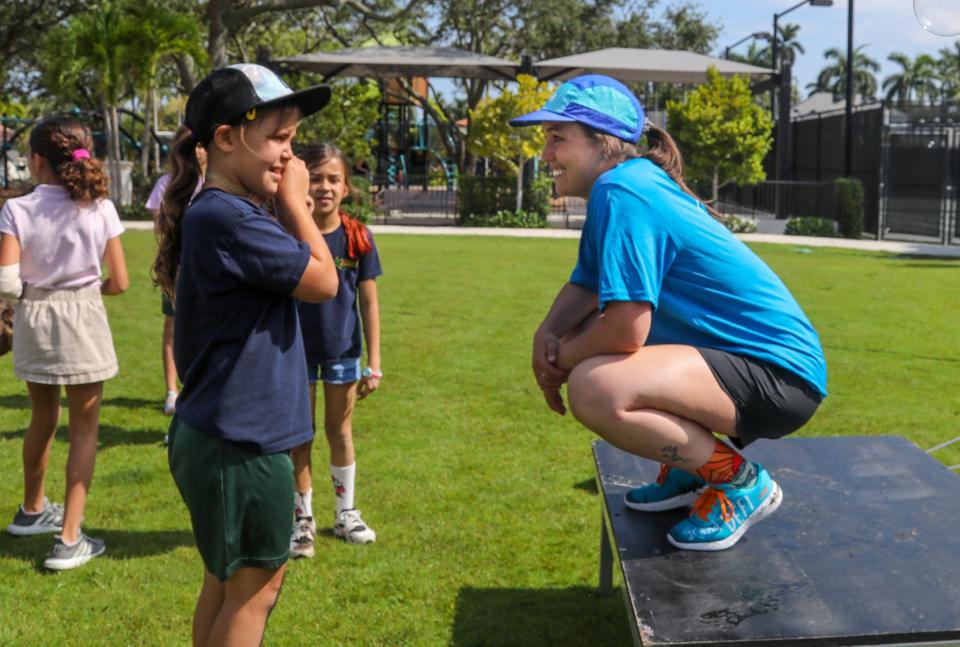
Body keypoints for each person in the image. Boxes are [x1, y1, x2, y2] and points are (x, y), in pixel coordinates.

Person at [513, 75, 827, 551]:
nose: (546, 154)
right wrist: (546, 337)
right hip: (757, 367)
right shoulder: (625, 185)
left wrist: (562, 360)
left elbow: (624, 329)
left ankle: (740, 483)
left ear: (605, 143)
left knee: (597, 387)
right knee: (597, 374)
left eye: (558, 138)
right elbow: (587, 282)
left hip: (780, 378)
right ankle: (688, 472)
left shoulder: (624, 189)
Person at [153, 64, 337, 646]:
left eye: (291, 141)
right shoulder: (229, 218)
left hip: (221, 438)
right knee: (256, 591)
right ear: (226, 138)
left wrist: (281, 198)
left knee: (226, 583)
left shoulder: (225, 211)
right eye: (278, 139)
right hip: (240, 444)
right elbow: (324, 280)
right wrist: (297, 203)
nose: (289, 156)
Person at [0, 115, 129, 569]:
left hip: (34, 315)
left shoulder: (17, 209)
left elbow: (7, 281)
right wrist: (91, 290)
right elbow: (122, 281)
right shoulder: (102, 209)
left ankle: (32, 508)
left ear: (36, 161)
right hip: (83, 317)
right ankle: (70, 537)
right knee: (85, 428)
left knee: (41, 416)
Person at [289, 143, 383, 558]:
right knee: (300, 434)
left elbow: (369, 302)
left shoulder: (357, 236)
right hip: (293, 352)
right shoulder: (289, 229)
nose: (323, 187)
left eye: (333, 179)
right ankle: (301, 521)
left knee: (339, 430)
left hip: (344, 352)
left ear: (346, 187)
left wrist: (374, 363)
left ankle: (345, 513)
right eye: (315, 177)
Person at [145, 128, 206, 417]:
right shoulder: (167, 184)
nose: (195, 151)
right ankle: (172, 390)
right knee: (173, 329)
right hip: (179, 267)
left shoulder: (218, 183)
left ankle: (199, 388)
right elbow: (161, 226)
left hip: (208, 270)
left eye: (200, 144)